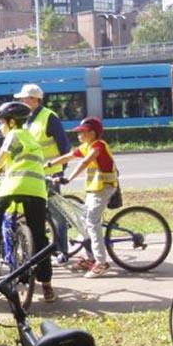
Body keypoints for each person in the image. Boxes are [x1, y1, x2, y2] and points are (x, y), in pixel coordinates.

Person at [0, 102, 55, 302]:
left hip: (15, 186)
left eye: (2, 123)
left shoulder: (14, 134)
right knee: (39, 236)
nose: (1, 127)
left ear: (11, 122)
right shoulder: (31, 138)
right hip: (37, 191)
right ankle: (47, 286)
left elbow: (0, 159)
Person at [46, 117, 117, 279]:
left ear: (92, 133)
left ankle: (101, 262)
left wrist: (68, 179)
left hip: (104, 188)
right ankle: (91, 258)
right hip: (94, 189)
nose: (79, 135)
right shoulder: (86, 146)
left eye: (82, 132)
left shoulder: (98, 146)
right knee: (84, 221)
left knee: (92, 222)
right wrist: (48, 164)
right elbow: (68, 157)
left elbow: (84, 162)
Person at [16, 83, 72, 265]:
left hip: (50, 174)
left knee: (56, 214)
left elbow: (64, 145)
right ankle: (41, 249)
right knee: (36, 213)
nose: (21, 101)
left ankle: (62, 251)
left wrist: (61, 169)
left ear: (35, 99)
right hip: (33, 174)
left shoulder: (49, 117)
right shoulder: (26, 119)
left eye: (24, 98)